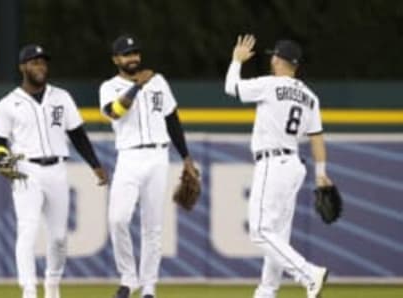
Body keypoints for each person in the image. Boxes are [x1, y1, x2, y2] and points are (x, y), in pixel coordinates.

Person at [0, 44, 108, 298]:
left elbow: (77, 134)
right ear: (23, 67)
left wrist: (95, 164)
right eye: (34, 62)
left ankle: (52, 283)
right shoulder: (8, 104)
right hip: (25, 170)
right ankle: (29, 289)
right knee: (28, 230)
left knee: (58, 238)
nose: (40, 66)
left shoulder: (61, 97)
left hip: (57, 169)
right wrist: (2, 160)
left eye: (43, 62)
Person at [224, 34, 331, 298]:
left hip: (272, 162)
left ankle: (308, 273)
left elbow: (231, 87)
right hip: (294, 166)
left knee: (259, 230)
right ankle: (267, 292)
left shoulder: (270, 85)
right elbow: (316, 138)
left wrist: (236, 61)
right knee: (277, 238)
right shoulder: (310, 97)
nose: (271, 59)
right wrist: (321, 174)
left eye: (274, 56)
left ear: (279, 60)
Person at [99, 34, 198, 298]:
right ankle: (128, 278)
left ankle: (149, 286)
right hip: (129, 157)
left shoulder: (159, 82)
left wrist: (186, 158)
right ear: (116, 59)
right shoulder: (109, 87)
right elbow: (114, 112)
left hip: (158, 156)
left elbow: (172, 120)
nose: (133, 58)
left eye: (135, 53)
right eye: (127, 54)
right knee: (118, 219)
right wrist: (136, 87)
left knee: (153, 225)